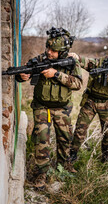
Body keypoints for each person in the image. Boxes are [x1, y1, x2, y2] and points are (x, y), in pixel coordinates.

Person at [16, 27, 82, 190]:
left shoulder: (72, 62)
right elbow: (23, 74)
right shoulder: (39, 60)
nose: (49, 52)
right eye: (48, 48)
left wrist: (56, 74)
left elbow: (78, 84)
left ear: (63, 52)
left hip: (62, 108)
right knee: (42, 139)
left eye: (53, 50)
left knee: (65, 139)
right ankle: (41, 174)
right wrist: (21, 76)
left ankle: (63, 166)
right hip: (42, 106)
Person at [69, 47, 108, 163]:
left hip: (106, 104)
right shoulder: (99, 63)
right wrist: (77, 57)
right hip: (90, 101)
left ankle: (106, 157)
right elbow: (86, 62)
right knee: (80, 129)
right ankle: (73, 154)